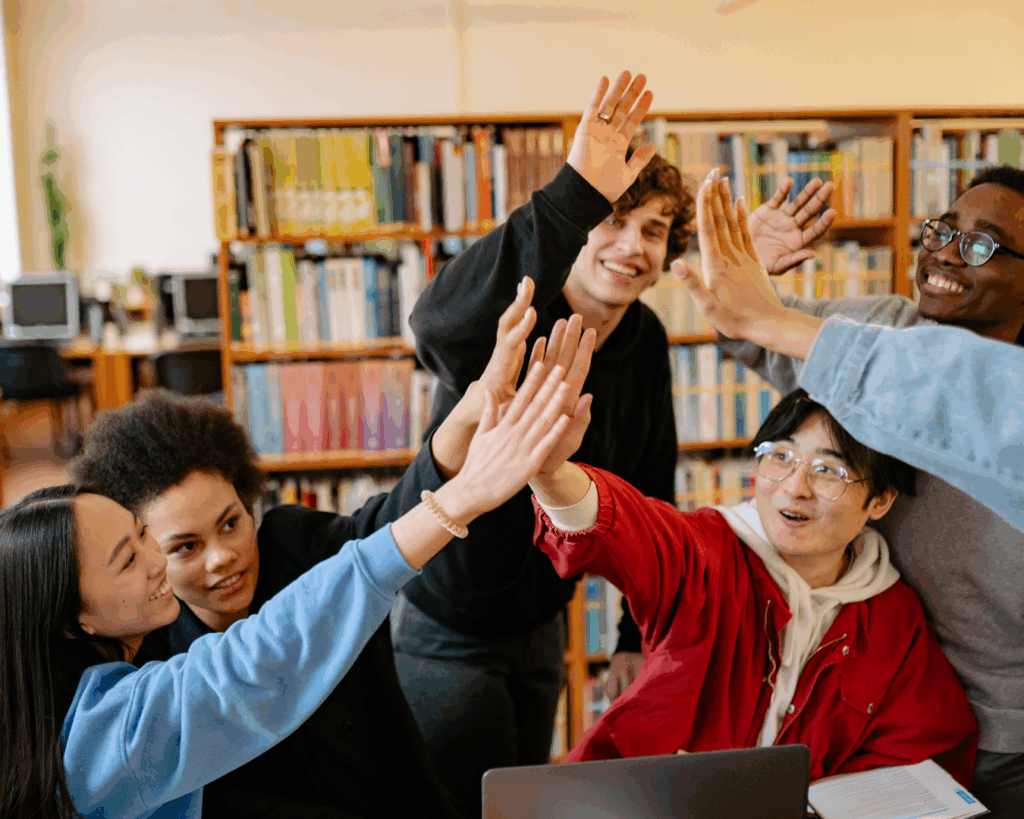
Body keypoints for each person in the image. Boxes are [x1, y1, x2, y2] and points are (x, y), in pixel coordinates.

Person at [395, 70, 837, 814]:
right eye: (613, 221)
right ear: (579, 225)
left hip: (542, 622)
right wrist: (574, 192)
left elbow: (649, 487)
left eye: (654, 230)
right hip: (447, 621)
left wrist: (636, 633)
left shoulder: (646, 337)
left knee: (518, 800)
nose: (632, 246)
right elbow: (434, 328)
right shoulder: (516, 306)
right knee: (454, 803)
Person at [0, 324, 591, 819]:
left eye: (231, 524)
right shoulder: (122, 722)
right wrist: (463, 498)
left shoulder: (286, 545)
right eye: (145, 553)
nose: (210, 558)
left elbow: (379, 525)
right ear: (74, 617)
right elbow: (258, 658)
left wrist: (464, 425)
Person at [674, 169, 1024, 815]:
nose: (946, 252)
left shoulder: (1007, 400)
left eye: (982, 244)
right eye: (943, 229)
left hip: (1009, 731)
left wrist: (767, 315)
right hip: (888, 704)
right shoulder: (885, 325)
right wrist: (751, 279)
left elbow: (949, 391)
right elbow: (758, 329)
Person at [526, 385, 978, 784]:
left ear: (879, 500)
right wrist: (551, 474)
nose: (794, 487)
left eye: (828, 471)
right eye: (780, 457)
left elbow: (921, 749)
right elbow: (627, 524)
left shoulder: (891, 616)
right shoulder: (707, 551)